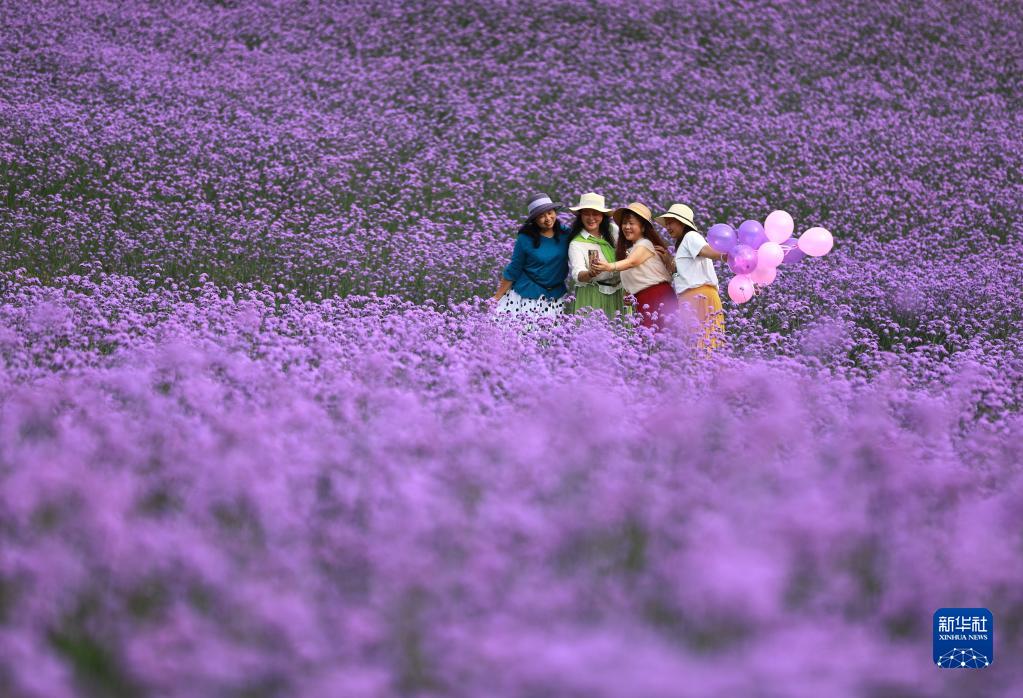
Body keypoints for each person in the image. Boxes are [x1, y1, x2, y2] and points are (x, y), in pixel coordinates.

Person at [591, 202, 677, 330]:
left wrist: (607, 266)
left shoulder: (645, 244)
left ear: (643, 227)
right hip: (643, 300)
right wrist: (628, 294)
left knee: (658, 340)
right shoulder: (631, 249)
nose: (626, 227)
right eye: (624, 223)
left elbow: (632, 262)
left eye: (631, 223)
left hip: (657, 297)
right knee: (649, 342)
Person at [654, 203, 728, 351]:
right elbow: (685, 274)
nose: (667, 227)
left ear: (682, 223)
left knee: (703, 345)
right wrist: (670, 262)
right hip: (691, 298)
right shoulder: (683, 243)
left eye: (671, 223)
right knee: (696, 345)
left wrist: (725, 256)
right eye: (666, 224)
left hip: (700, 297)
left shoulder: (691, 236)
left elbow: (706, 250)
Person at [494, 193, 573, 317]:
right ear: (534, 220)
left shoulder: (566, 233)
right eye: (541, 216)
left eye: (550, 213)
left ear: (555, 212)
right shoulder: (525, 238)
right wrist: (496, 298)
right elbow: (514, 268)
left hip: (556, 295)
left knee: (551, 335)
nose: (547, 218)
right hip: (528, 294)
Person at [566, 192, 628, 320]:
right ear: (580, 216)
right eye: (586, 213)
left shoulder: (613, 230)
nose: (591, 218)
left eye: (595, 213)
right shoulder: (576, 243)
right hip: (593, 293)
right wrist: (590, 273)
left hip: (619, 291)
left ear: (603, 216)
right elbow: (577, 274)